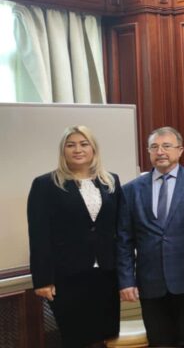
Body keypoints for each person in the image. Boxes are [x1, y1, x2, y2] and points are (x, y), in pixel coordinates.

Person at [117, 126, 184, 348]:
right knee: (158, 342)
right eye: (154, 147)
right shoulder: (131, 190)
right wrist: (126, 281)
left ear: (180, 150)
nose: (160, 151)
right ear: (148, 152)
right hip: (149, 280)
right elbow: (124, 241)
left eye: (166, 146)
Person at [27, 125, 123, 348]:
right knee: (76, 338)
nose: (77, 150)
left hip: (106, 274)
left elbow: (119, 228)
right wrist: (42, 279)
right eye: (71, 145)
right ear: (63, 151)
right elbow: (39, 235)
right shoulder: (45, 184)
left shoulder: (110, 181)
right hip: (67, 277)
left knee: (105, 336)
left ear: (93, 149)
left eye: (83, 144)